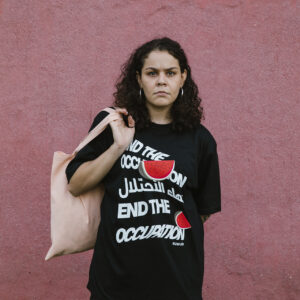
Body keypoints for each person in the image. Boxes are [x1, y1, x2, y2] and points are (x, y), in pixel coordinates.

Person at [66, 37, 221, 300]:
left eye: (170, 73)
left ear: (183, 78)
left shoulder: (200, 139)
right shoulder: (113, 124)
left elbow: (201, 211)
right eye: (152, 73)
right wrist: (118, 147)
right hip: (115, 279)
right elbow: (75, 184)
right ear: (138, 78)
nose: (161, 80)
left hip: (177, 279)